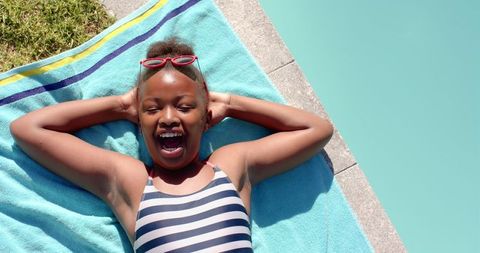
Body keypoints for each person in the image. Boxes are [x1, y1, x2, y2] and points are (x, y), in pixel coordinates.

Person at [10, 38, 334, 252]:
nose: (167, 118)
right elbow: (28, 128)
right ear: (139, 117)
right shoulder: (132, 182)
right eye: (152, 108)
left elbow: (316, 130)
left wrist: (231, 103)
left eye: (183, 106)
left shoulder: (230, 167)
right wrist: (123, 105)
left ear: (206, 117)